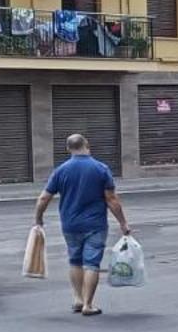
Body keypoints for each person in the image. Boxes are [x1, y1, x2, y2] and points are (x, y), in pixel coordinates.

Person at [33, 133, 130, 316]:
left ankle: (77, 299)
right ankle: (88, 304)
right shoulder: (101, 169)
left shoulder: (61, 171)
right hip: (95, 225)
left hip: (70, 224)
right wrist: (123, 223)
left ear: (68, 149)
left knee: (75, 261)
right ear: (87, 145)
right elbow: (111, 199)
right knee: (91, 263)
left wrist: (38, 219)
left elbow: (44, 197)